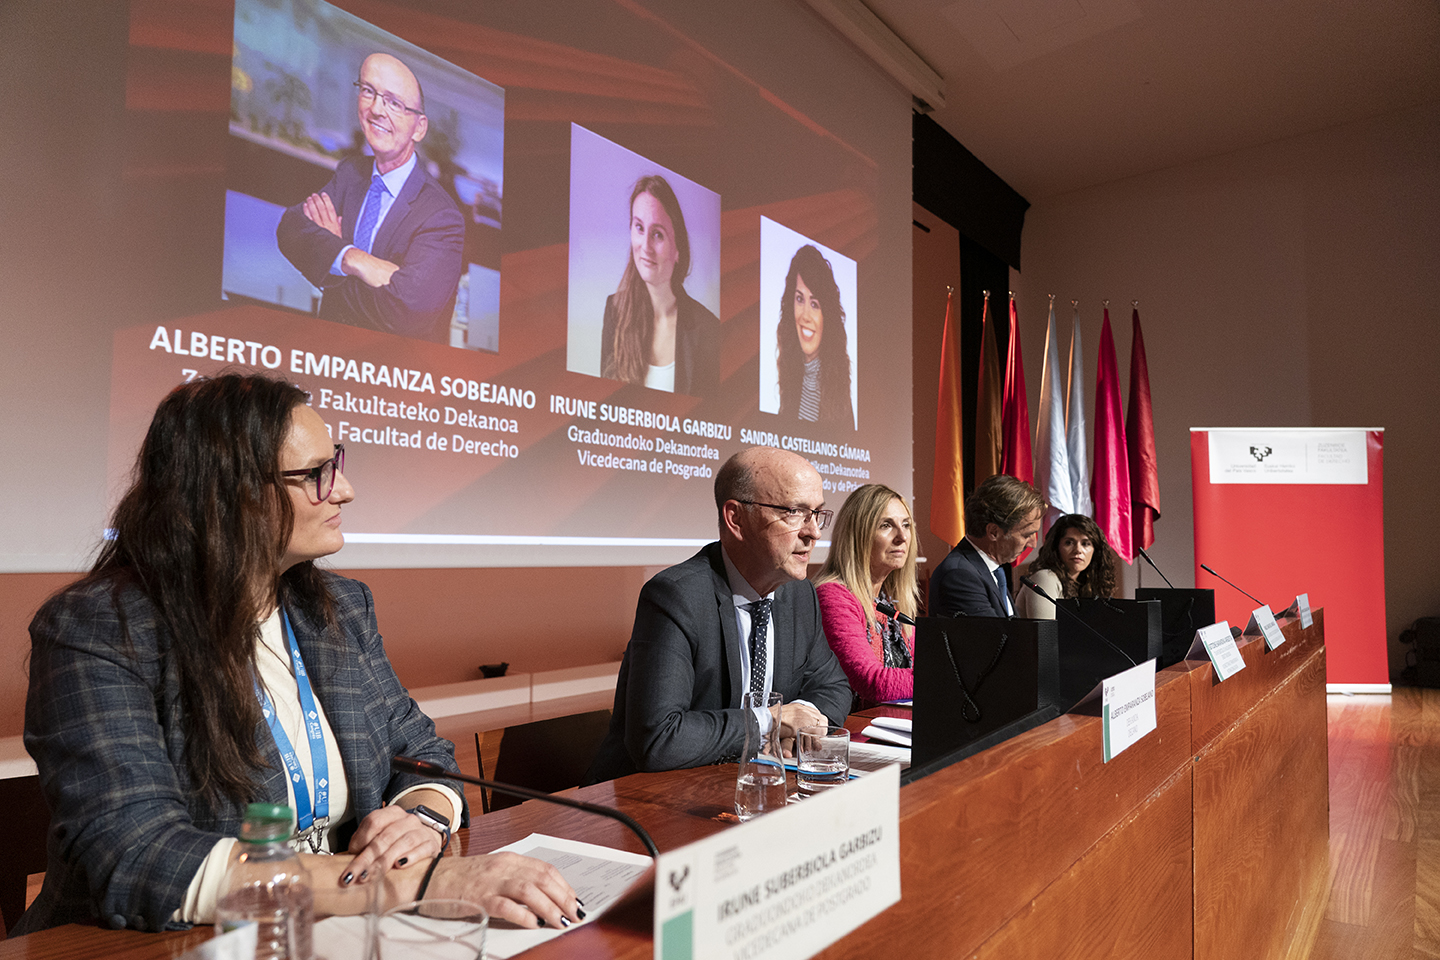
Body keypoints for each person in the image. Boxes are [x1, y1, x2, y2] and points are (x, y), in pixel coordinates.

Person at [17, 374, 579, 935]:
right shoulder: (98, 629)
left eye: (336, 463)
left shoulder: (340, 608)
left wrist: (421, 818)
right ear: (229, 493)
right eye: (315, 474)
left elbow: (424, 753)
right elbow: (141, 857)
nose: (345, 490)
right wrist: (419, 885)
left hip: (333, 931)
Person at [586, 447, 852, 782]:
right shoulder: (675, 597)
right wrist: (769, 722)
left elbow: (833, 687)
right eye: (795, 512)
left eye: (816, 514)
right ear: (736, 519)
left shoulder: (799, 595)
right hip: (643, 796)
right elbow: (658, 738)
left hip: (749, 784)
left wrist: (805, 722)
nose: (813, 532)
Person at [277, 53, 465, 344]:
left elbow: (406, 313)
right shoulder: (350, 172)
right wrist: (355, 259)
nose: (376, 109)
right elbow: (290, 230)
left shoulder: (442, 216)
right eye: (368, 91)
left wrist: (332, 256)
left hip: (391, 368)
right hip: (328, 353)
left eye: (394, 103)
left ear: (419, 127)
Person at [600, 175, 720, 394]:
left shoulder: (708, 328)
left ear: (677, 249)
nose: (645, 246)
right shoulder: (614, 311)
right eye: (639, 228)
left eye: (657, 234)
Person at [813, 484, 919, 707]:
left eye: (906, 525)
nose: (902, 537)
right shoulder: (834, 595)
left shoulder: (888, 601)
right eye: (886, 525)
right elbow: (871, 682)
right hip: (849, 726)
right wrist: (944, 678)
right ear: (857, 535)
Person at [928, 474, 1044, 619]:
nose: (1033, 544)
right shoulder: (960, 576)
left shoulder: (991, 570)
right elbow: (994, 633)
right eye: (1027, 535)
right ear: (994, 532)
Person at [775, 245, 854, 427]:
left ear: (827, 316)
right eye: (799, 299)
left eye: (815, 304)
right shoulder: (790, 376)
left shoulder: (839, 393)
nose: (805, 316)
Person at [1014, 513, 1119, 619]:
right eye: (1069, 543)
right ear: (1056, 547)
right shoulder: (1045, 577)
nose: (1078, 550)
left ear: (1095, 551)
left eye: (1085, 544)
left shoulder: (1086, 585)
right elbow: (1046, 629)